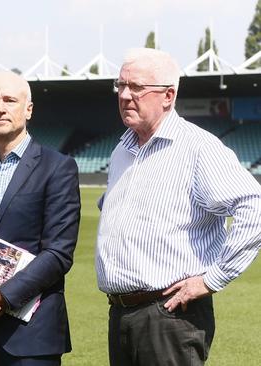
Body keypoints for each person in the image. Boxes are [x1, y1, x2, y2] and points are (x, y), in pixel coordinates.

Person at [96, 48, 261, 365]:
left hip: (169, 315)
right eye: (121, 86)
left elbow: (253, 208)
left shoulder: (197, 147)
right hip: (121, 313)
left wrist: (212, 279)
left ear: (168, 96)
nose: (126, 95)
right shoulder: (123, 148)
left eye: (137, 87)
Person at [0, 71, 81, 366]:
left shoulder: (58, 168)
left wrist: (4, 296)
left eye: (10, 100)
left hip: (31, 335)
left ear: (28, 109)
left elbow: (59, 253)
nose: (0, 108)